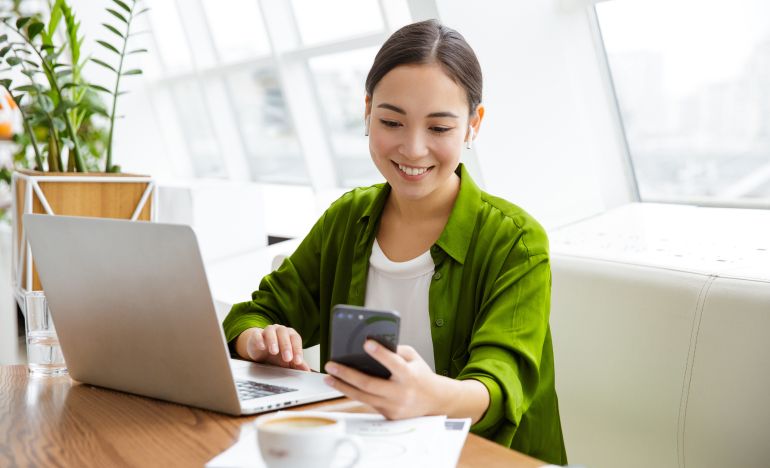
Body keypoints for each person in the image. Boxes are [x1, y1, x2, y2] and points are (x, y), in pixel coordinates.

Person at [223, 19, 567, 464]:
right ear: (367, 111)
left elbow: (498, 385)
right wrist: (259, 341)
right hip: (362, 451)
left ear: (473, 125)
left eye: (440, 129)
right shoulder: (347, 218)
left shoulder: (515, 241)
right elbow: (254, 314)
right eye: (391, 121)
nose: (413, 148)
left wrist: (426, 395)